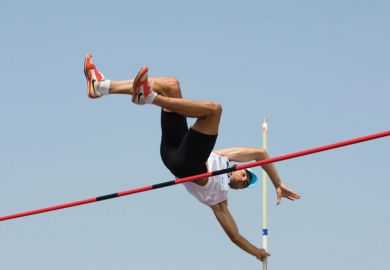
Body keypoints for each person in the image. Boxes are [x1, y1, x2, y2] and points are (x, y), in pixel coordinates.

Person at [83, 53, 301, 261]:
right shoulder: (225, 157)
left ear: (236, 189)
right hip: (173, 147)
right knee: (171, 85)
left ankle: (148, 98)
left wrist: (257, 251)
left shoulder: (220, 201)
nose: (243, 180)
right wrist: (277, 183)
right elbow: (260, 154)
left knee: (214, 110)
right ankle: (101, 86)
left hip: (186, 165)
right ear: (239, 167)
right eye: (246, 176)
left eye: (244, 185)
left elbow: (235, 236)